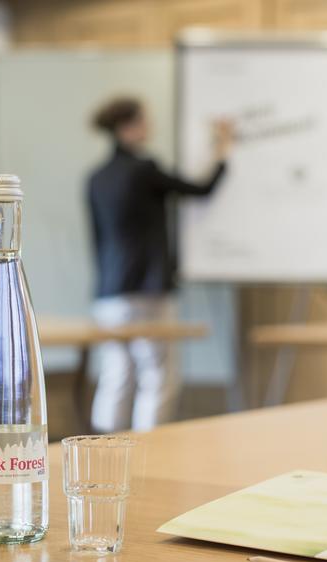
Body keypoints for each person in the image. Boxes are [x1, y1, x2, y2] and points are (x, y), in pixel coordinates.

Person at [86, 96, 232, 433]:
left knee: (116, 372)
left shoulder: (95, 178)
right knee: (158, 375)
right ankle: (150, 452)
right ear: (128, 127)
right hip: (147, 289)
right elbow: (200, 189)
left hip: (110, 292)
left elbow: (96, 240)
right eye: (144, 120)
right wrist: (222, 150)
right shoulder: (143, 170)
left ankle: (101, 451)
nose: (149, 127)